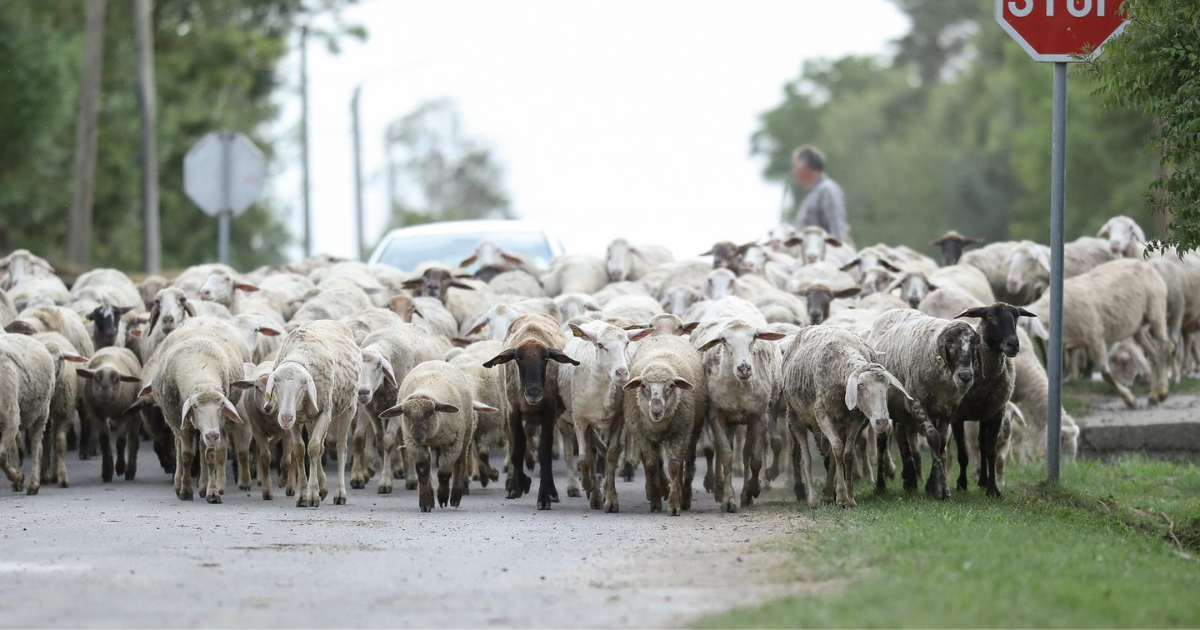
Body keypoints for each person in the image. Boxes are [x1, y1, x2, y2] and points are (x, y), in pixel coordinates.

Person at [791, 145, 851, 245]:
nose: (794, 171)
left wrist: (835, 255)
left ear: (805, 167)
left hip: (827, 257)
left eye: (795, 166)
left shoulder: (827, 190)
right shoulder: (813, 193)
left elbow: (837, 231)